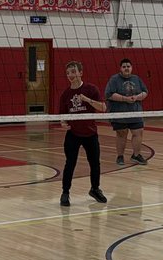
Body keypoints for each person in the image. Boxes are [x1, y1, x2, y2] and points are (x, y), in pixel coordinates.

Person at [59, 61, 107, 207]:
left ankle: (95, 189)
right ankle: (65, 193)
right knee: (70, 164)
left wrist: (87, 100)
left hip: (90, 133)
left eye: (73, 72)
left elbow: (103, 108)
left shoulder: (91, 89)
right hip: (73, 134)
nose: (70, 76)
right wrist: (63, 123)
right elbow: (62, 115)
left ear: (80, 72)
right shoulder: (65, 94)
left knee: (95, 163)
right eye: (68, 73)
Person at [104, 58, 149, 165]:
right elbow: (109, 94)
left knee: (138, 132)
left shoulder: (136, 79)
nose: (126, 68)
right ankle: (120, 156)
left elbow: (145, 92)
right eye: (124, 67)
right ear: (120, 69)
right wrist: (125, 99)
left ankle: (136, 155)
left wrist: (137, 97)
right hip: (120, 113)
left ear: (131, 68)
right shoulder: (114, 79)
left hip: (135, 112)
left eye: (128, 66)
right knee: (121, 134)